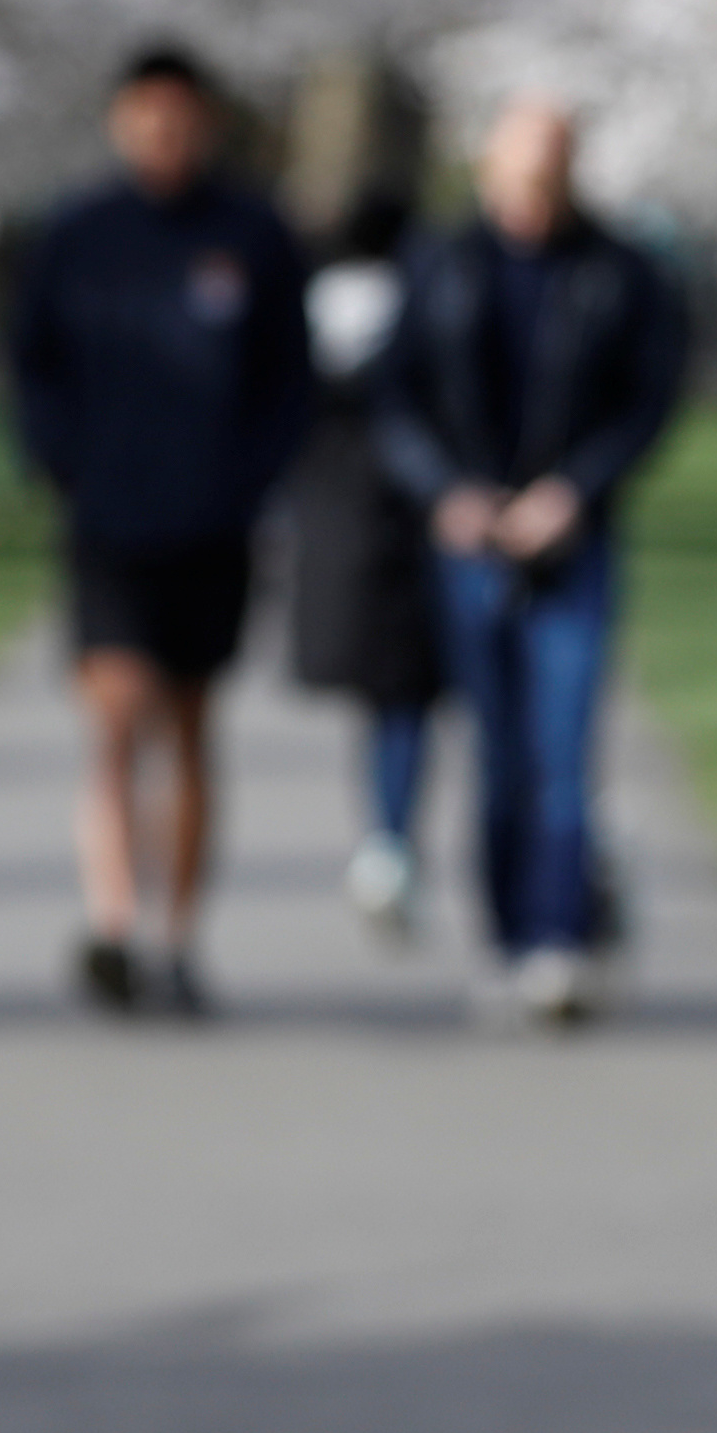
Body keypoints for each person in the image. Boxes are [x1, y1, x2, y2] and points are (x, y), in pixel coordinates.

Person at [10, 45, 312, 1016]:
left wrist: (249, 480)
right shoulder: (78, 234)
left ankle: (175, 936)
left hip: (210, 525)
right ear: (118, 121)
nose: (162, 134)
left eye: (178, 117)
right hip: (107, 519)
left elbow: (288, 381)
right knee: (112, 714)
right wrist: (61, 466)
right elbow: (31, 366)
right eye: (145, 115)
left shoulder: (252, 235)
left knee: (184, 728)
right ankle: (111, 922)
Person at [370, 97, 685, 1025]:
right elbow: (394, 400)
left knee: (563, 750)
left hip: (570, 544)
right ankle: (507, 942)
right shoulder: (439, 266)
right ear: (489, 170)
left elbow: (646, 400)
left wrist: (574, 493)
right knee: (500, 755)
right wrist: (445, 493)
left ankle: (560, 942)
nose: (536, 190)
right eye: (522, 171)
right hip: (472, 543)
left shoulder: (618, 272)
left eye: (553, 171)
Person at [287, 194, 440, 938]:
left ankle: (384, 841)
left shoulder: (311, 305)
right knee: (404, 697)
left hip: (334, 519)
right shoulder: (425, 300)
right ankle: (390, 837)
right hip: (415, 519)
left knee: (377, 698)